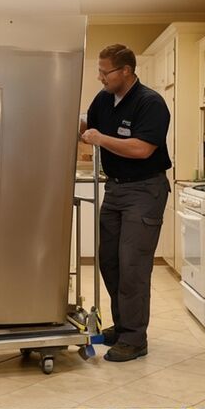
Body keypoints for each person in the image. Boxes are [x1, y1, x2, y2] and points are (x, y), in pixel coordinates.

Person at [80, 43, 171, 362]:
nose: (100, 77)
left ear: (126, 71)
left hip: (145, 190)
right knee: (110, 261)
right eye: (99, 71)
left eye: (105, 72)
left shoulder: (150, 103)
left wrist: (100, 139)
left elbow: (142, 149)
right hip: (116, 189)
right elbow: (87, 129)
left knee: (133, 265)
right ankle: (122, 327)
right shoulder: (103, 99)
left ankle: (134, 338)